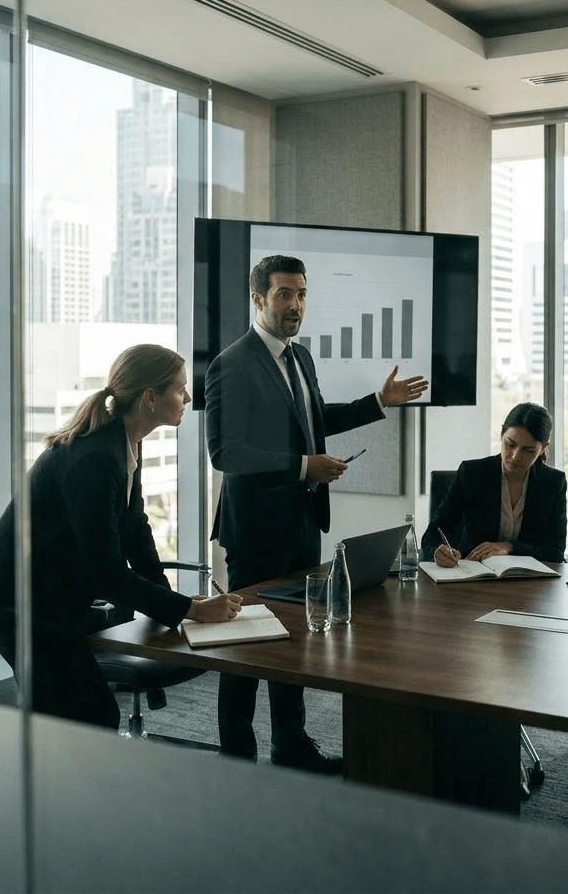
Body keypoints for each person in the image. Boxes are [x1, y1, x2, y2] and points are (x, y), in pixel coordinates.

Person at [205, 254, 428, 773]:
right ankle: (233, 756)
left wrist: (378, 401)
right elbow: (225, 453)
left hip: (303, 523)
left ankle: (292, 745)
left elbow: (313, 420)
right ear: (258, 298)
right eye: (285, 294)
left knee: (294, 643)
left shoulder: (300, 358)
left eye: (302, 294)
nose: (296, 305)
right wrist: (306, 466)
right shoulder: (231, 364)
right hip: (257, 530)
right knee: (244, 648)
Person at [0, 345, 241, 730]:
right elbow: (107, 572)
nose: (189, 398)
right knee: (85, 718)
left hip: (48, 596)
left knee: (81, 717)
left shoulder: (125, 441)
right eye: (180, 389)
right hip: (14, 602)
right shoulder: (95, 457)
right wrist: (188, 610)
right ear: (149, 398)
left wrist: (175, 609)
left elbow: (135, 532)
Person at [421, 403, 566, 566]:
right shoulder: (471, 474)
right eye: (510, 444)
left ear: (542, 449)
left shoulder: (553, 482)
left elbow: (556, 552)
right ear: (501, 434)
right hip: (473, 576)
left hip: (529, 582)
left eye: (528, 450)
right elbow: (432, 534)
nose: (515, 456)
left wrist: (509, 547)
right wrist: (437, 551)